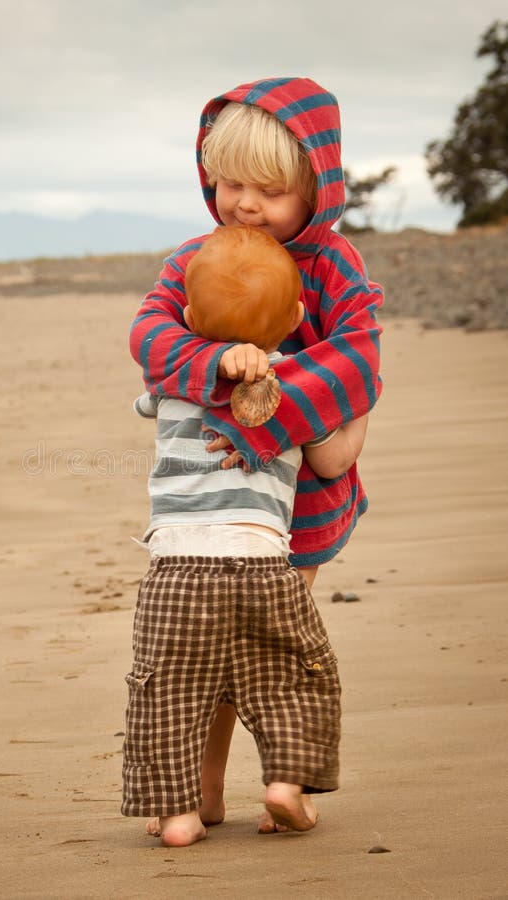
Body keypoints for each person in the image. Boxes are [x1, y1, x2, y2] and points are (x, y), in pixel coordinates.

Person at [127, 76, 382, 839]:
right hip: (221, 484)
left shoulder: (333, 268)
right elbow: (150, 334)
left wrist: (274, 402)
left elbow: (357, 358)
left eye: (269, 190)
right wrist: (220, 367)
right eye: (231, 181)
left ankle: (284, 777)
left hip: (298, 494)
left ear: (318, 188)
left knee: (273, 643)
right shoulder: (195, 257)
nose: (244, 203)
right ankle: (206, 786)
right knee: (226, 647)